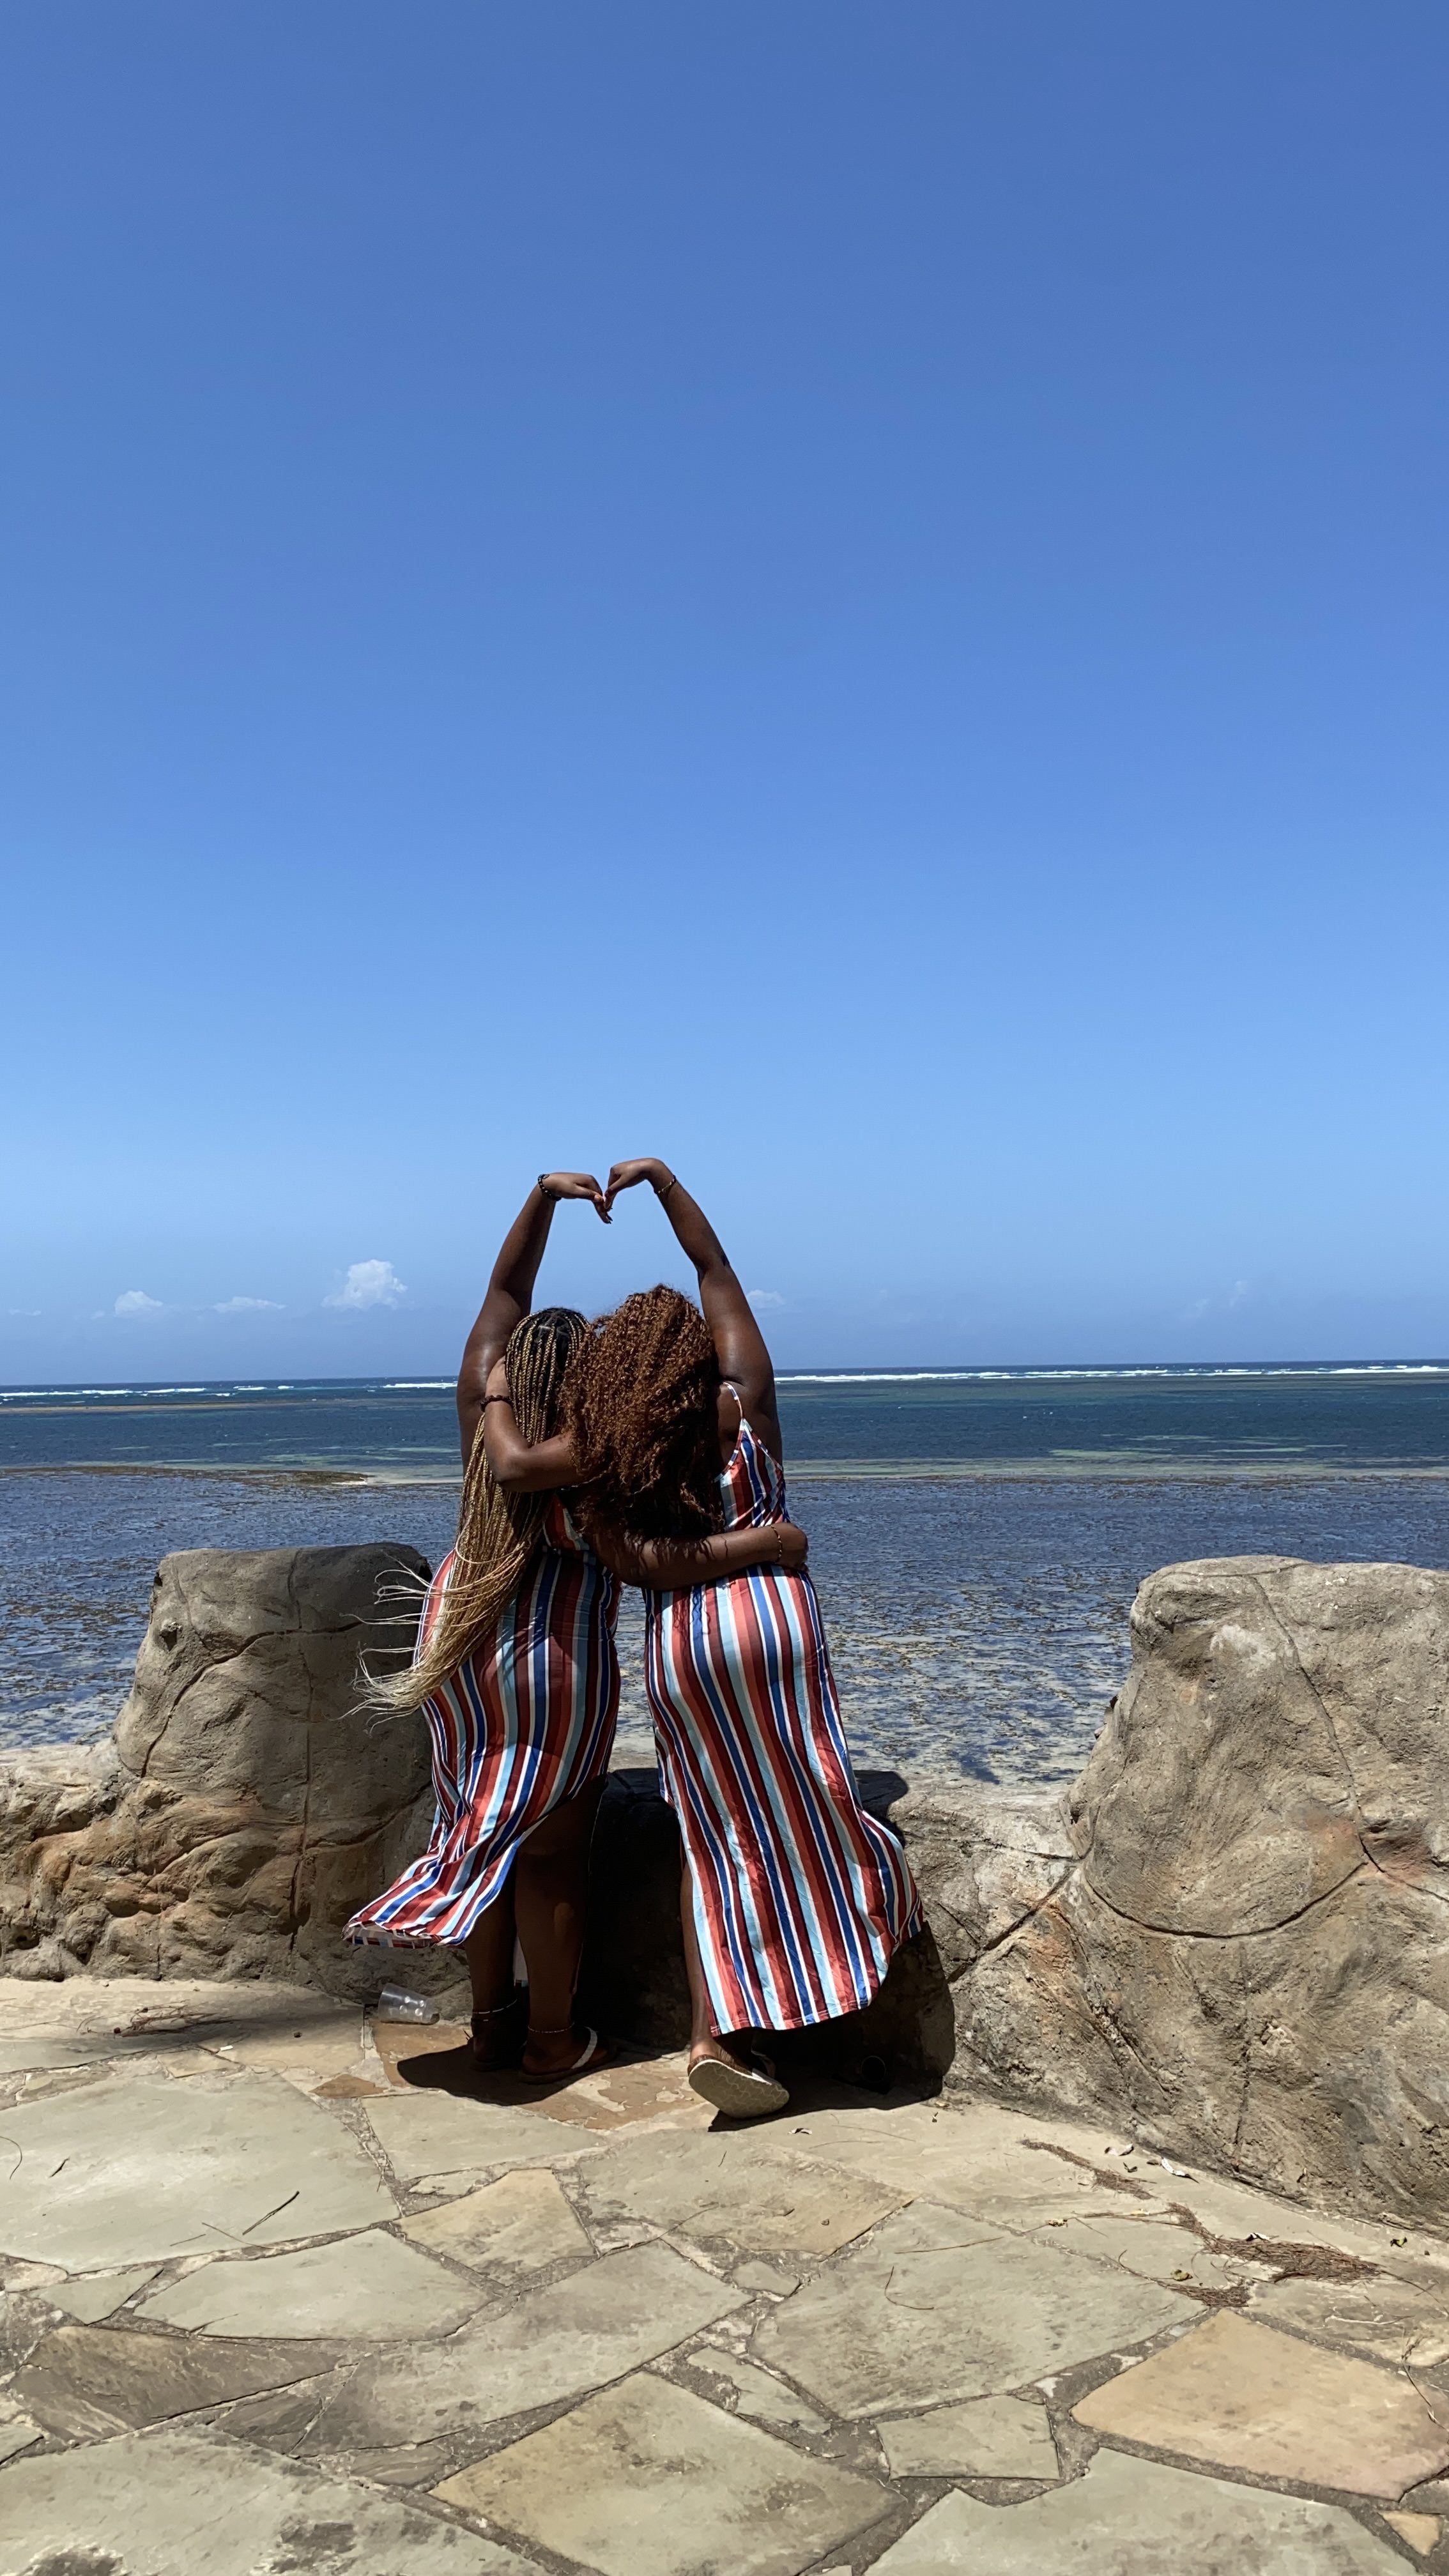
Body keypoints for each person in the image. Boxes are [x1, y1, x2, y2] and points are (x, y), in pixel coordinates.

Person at [348, 1172, 806, 2083]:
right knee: (551, 1851)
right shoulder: (606, 1444)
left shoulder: (485, 1413)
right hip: (551, 1641)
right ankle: (552, 2039)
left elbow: (504, 1292)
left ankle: (489, 2026)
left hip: (457, 1622)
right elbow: (640, 1553)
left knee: (479, 1828)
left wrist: (543, 1200)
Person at [486, 1160, 921, 2117]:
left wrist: (501, 1391)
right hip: (774, 1621)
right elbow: (717, 1271)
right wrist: (665, 1186)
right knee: (813, 1793)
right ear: (698, 1352)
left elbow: (629, 1558)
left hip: (687, 1643)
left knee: (712, 1833)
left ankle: (714, 2034)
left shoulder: (609, 1447)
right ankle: (841, 1960)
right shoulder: (744, 1403)